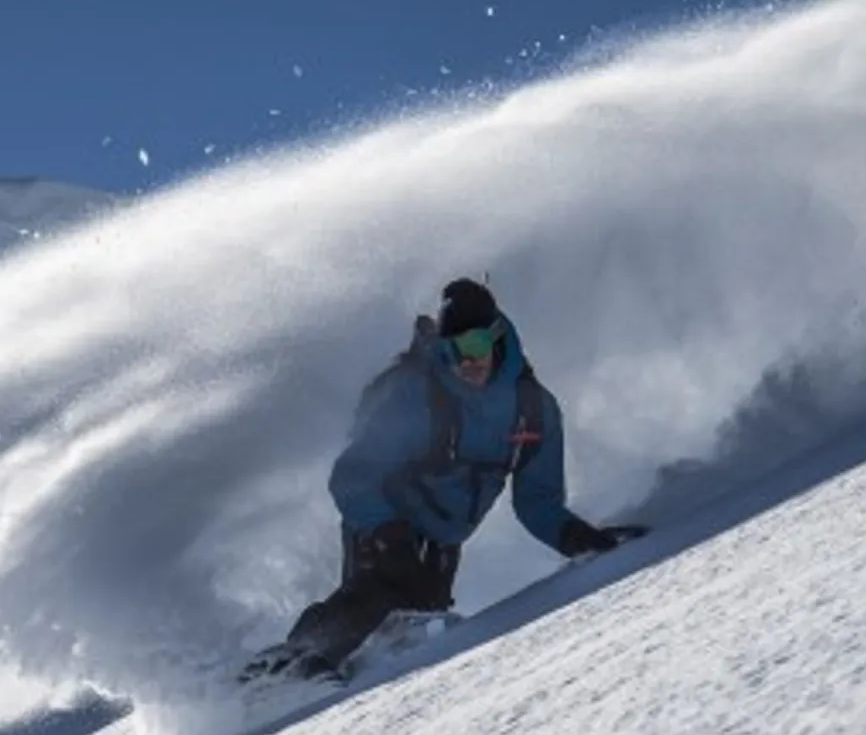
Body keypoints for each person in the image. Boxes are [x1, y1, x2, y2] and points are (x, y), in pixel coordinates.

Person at [244, 278, 645, 682]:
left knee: (417, 628)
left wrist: (577, 538)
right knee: (381, 592)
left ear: (497, 339)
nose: (465, 363)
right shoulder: (416, 394)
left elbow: (536, 501)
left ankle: (346, 692)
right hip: (383, 518)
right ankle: (290, 666)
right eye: (453, 351)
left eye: (474, 348)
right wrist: (387, 530)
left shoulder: (532, 410)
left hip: (444, 538)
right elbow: (353, 475)